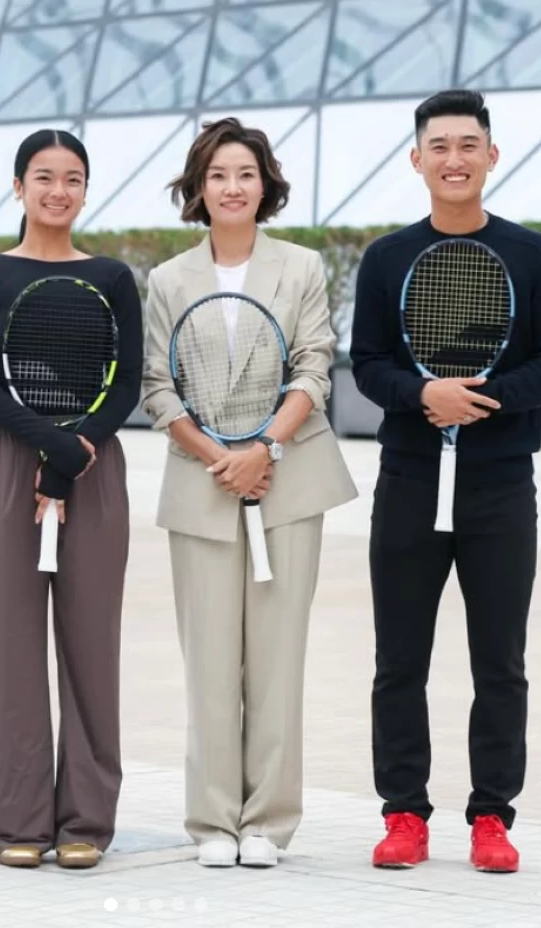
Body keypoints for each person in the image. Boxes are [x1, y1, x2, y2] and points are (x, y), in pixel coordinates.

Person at [349, 89, 541, 874]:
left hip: (501, 485)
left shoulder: (534, 256)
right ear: (416, 160)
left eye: (467, 144)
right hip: (408, 480)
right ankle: (404, 814)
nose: (454, 158)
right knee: (399, 660)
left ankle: (492, 818)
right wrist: (422, 396)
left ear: (491, 156)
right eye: (438, 146)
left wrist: (483, 399)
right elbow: (369, 363)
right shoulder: (386, 258)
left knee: (500, 661)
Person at [140, 117, 358, 869]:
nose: (232, 187)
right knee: (207, 661)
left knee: (277, 660)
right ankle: (211, 824)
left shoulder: (299, 268)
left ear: (266, 185)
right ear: (198, 188)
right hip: (202, 488)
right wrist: (221, 458)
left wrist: (264, 449)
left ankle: (267, 822)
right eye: (218, 175)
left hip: (288, 483)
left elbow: (315, 365)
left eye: (245, 174)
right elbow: (158, 389)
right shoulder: (168, 280)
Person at [0, 129, 143, 870]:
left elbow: (123, 382)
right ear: (18, 186)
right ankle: (19, 820)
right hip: (10, 465)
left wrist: (77, 450)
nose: (57, 190)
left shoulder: (113, 277)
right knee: (7, 648)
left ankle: (87, 819)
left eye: (72, 179)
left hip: (94, 469)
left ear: (85, 190)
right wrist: (48, 446)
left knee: (92, 647)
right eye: (43, 177)